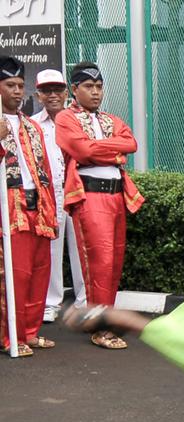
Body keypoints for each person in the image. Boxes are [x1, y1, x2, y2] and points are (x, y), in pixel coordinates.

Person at [55, 61, 144, 350]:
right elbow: (80, 149)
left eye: (99, 86)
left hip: (116, 196)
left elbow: (130, 144)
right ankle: (100, 329)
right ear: (74, 89)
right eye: (89, 87)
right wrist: (112, 152)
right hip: (90, 197)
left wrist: (99, 151)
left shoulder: (110, 119)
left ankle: (101, 322)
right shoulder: (66, 119)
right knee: (100, 264)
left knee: (114, 263)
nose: (95, 92)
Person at [1, 56, 58, 357]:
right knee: (18, 275)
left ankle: (32, 332)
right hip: (11, 207)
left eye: (20, 86)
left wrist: (51, 209)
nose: (17, 91)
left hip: (38, 204)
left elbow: (44, 169)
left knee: (40, 272)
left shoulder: (32, 126)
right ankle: (13, 336)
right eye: (10, 85)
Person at [33, 70, 85, 324]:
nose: (53, 95)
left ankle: (84, 302)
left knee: (82, 247)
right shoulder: (32, 125)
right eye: (47, 90)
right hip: (49, 194)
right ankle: (50, 303)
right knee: (51, 248)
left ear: (67, 93)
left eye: (57, 90)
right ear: (38, 94)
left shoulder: (79, 121)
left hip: (79, 192)